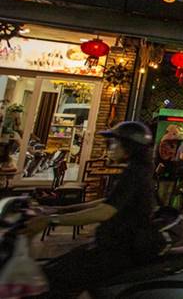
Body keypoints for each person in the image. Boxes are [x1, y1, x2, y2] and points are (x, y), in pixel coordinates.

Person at [24, 121, 161, 297]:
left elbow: (105, 212)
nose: (110, 147)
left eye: (114, 143)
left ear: (129, 146)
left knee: (53, 278)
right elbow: (109, 202)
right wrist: (60, 210)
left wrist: (52, 220)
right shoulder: (138, 170)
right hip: (113, 246)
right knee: (58, 268)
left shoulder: (134, 173)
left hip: (118, 250)